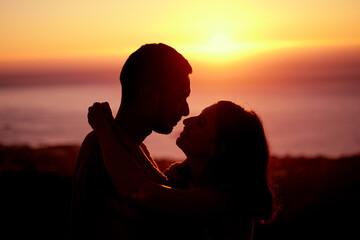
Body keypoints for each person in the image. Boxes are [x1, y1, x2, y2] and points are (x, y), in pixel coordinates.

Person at [87, 100, 275, 240]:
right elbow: (154, 181)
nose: (188, 121)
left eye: (201, 123)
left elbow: (139, 191)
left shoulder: (222, 202)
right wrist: (114, 130)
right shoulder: (187, 176)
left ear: (219, 149)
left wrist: (104, 131)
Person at [70, 43, 192, 240]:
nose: (186, 111)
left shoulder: (130, 147)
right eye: (179, 99)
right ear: (149, 97)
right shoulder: (101, 151)